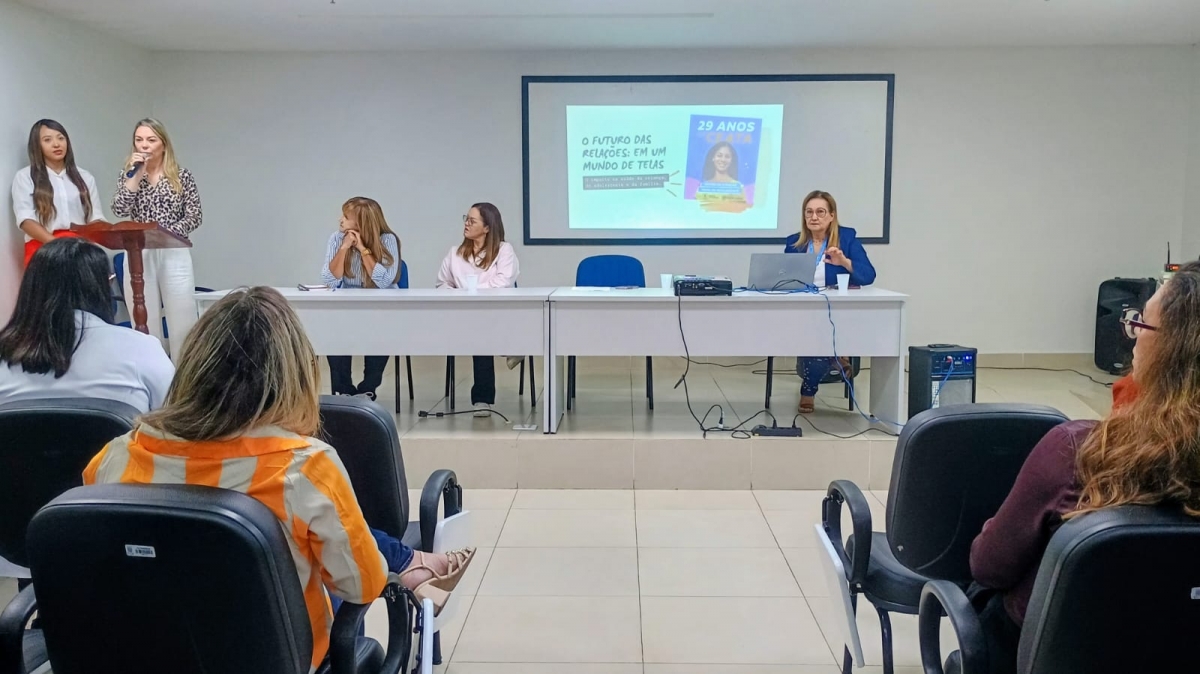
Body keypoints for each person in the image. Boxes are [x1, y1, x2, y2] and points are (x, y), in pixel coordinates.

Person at [82, 286, 474, 671]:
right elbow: (364, 584)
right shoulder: (305, 468)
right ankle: (415, 567)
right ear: (294, 374)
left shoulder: (114, 458)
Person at [969, 261, 1200, 674]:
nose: (1132, 336)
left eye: (1140, 324)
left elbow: (990, 566)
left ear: (1172, 348)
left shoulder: (1079, 450)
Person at [0, 238, 173, 412]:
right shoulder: (140, 348)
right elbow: (173, 415)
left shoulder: (4, 352)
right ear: (102, 286)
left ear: (30, 288)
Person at [110, 118, 202, 360]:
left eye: (151, 140)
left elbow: (195, 215)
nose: (144, 145)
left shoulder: (181, 176)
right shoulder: (128, 174)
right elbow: (119, 209)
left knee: (182, 319)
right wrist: (134, 177)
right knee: (144, 320)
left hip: (173, 250)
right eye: (139, 140)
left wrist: (167, 233)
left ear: (163, 144)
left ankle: (183, 374)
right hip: (139, 252)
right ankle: (151, 370)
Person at [784, 190, 877, 413]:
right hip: (803, 309)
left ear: (832, 215)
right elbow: (784, 278)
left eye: (820, 212)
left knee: (821, 330)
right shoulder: (794, 243)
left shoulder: (847, 238)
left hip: (837, 310)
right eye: (809, 212)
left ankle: (808, 390)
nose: (814, 217)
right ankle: (835, 357)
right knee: (815, 329)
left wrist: (844, 261)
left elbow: (868, 276)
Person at [436, 203, 520, 416]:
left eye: (472, 221)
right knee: (479, 329)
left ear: (487, 227)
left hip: (495, 312)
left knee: (481, 330)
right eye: (466, 218)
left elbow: (503, 282)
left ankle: (483, 398)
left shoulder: (504, 250)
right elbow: (442, 283)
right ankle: (511, 347)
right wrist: (462, 295)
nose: (466, 224)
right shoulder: (455, 253)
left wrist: (469, 292)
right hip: (465, 315)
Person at [319, 197, 402, 400]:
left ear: (361, 222)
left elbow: (384, 281)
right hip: (348, 305)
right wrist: (344, 248)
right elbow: (330, 280)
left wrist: (363, 249)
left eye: (346, 217)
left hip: (380, 307)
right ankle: (344, 390)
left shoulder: (388, 240)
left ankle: (368, 389)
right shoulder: (337, 238)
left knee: (381, 331)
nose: (340, 220)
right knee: (334, 331)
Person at [11, 119, 105, 266]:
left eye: (61, 138)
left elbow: (95, 218)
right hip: (43, 249)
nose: (56, 144)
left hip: (79, 250)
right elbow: (25, 220)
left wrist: (86, 248)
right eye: (47, 140)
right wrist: (58, 246)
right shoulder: (25, 176)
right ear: (37, 145)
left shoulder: (85, 177)